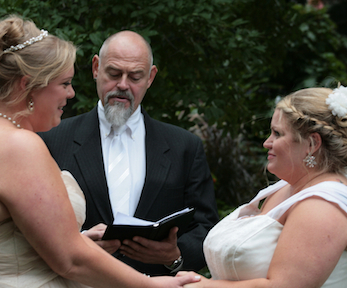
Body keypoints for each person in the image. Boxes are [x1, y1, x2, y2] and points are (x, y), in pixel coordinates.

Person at [0, 15, 201, 287]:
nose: (71, 94)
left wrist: (76, 241)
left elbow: (10, 244)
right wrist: (153, 285)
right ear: (27, 85)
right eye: (64, 83)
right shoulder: (19, 145)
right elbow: (71, 261)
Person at [39, 30, 219, 276]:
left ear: (151, 77)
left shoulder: (184, 147)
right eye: (113, 74)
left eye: (135, 76)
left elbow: (205, 226)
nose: (123, 85)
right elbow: (30, 224)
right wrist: (77, 245)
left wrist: (175, 256)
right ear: (95, 68)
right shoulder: (51, 139)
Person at [178, 86, 347, 287]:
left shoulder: (323, 207)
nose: (267, 143)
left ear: (312, 144)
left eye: (277, 134)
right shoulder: (286, 188)